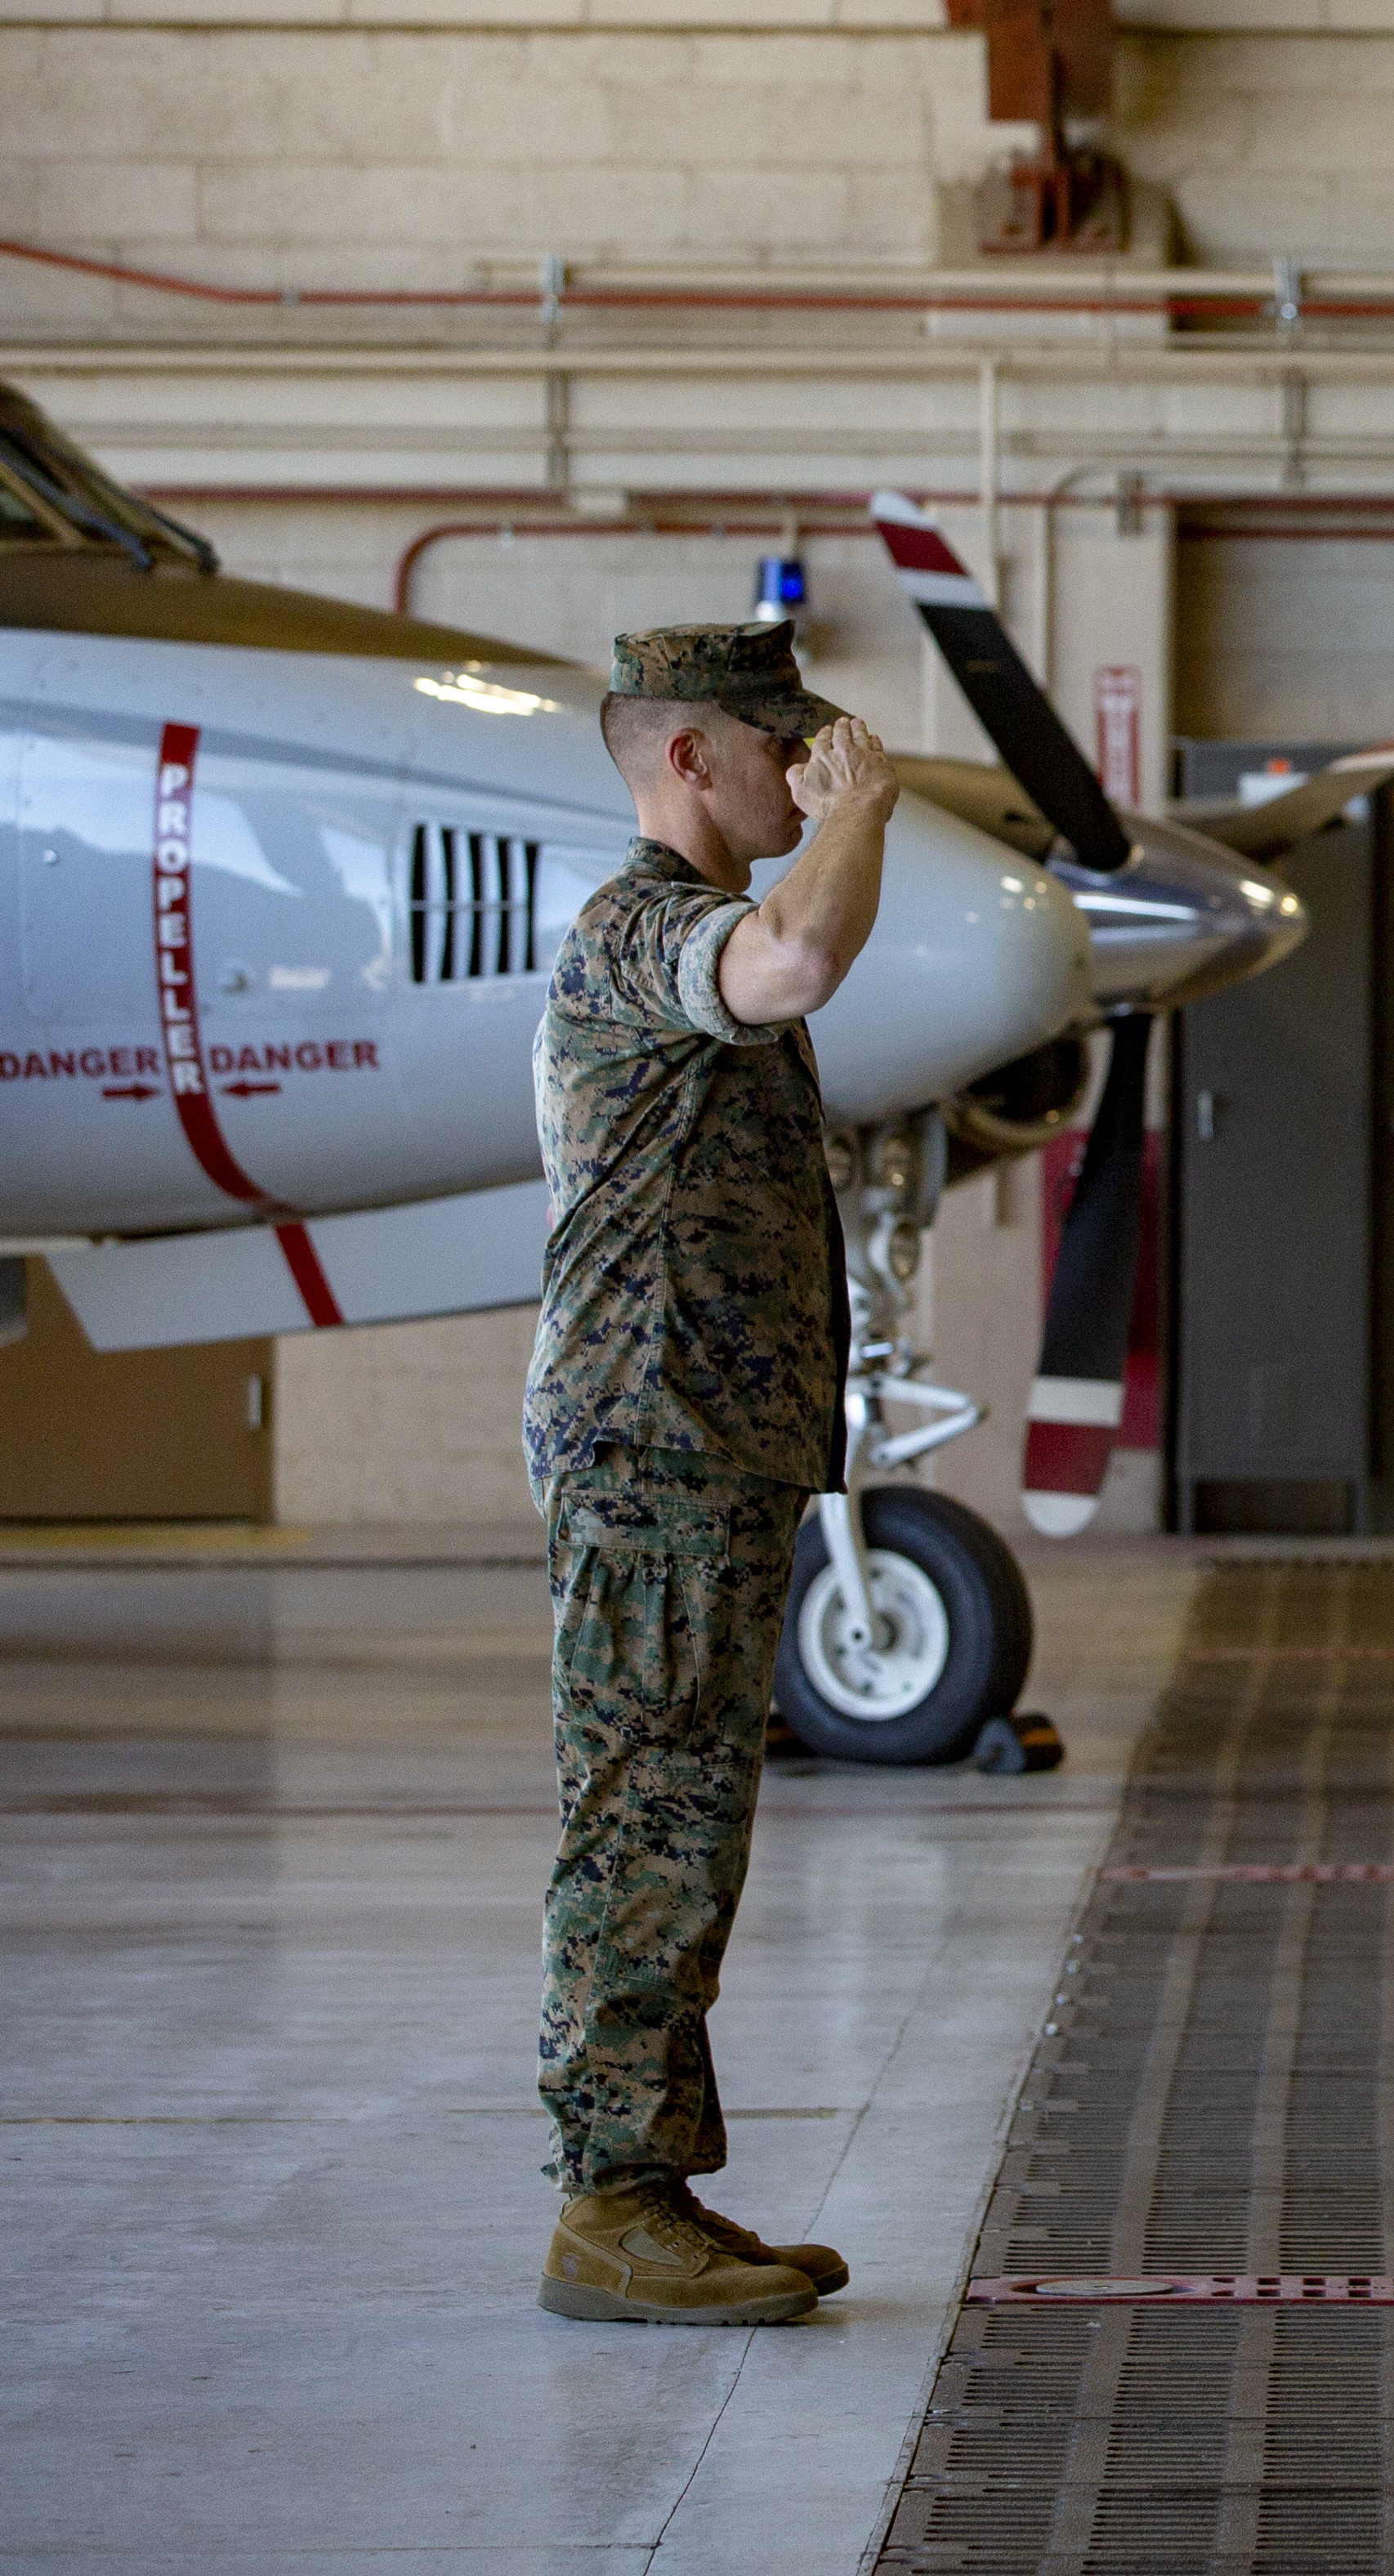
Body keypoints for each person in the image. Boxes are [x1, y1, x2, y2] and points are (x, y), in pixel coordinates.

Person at [521, 623, 896, 2325]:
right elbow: (801, 964)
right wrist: (863, 817)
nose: (805, 767)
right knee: (642, 1823)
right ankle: (606, 2204)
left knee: (690, 1822)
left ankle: (654, 2188)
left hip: (702, 1448)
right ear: (689, 756)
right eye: (781, 740)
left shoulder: (687, 927)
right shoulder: (641, 928)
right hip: (647, 1444)